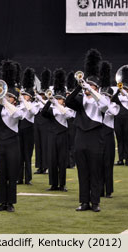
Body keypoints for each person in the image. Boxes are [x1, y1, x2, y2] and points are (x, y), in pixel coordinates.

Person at [66, 49, 108, 212]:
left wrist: (91, 90)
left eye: (90, 86)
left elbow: (104, 106)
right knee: (82, 171)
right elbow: (69, 102)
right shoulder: (80, 99)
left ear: (96, 88)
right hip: (81, 136)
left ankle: (95, 202)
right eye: (86, 86)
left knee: (95, 171)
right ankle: (84, 201)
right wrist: (79, 87)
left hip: (95, 137)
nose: (87, 88)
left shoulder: (101, 98)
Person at [0, 60, 24, 212]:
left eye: (9, 96)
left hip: (13, 144)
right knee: (1, 174)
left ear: (14, 98)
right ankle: (2, 202)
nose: (6, 98)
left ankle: (11, 203)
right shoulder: (0, 109)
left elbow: (17, 115)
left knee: (11, 174)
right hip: (0, 143)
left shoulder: (18, 109)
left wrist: (5, 102)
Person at [41, 69, 75, 192]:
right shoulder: (51, 109)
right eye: (57, 98)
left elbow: (66, 114)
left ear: (63, 101)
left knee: (62, 161)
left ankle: (62, 184)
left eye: (60, 99)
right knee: (52, 161)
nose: (58, 100)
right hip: (52, 136)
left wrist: (56, 102)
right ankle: (53, 184)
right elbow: (43, 112)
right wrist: (49, 101)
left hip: (62, 137)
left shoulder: (67, 110)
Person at [101, 61, 120, 198]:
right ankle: (99, 189)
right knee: (97, 164)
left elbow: (111, 112)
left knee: (108, 164)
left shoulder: (114, 106)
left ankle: (108, 190)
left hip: (108, 136)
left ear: (110, 97)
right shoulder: (98, 104)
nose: (105, 98)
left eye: (107, 96)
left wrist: (106, 102)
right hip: (97, 135)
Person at [18, 68, 38, 185]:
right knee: (20, 156)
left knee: (28, 155)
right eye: (23, 95)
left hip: (29, 131)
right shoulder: (19, 105)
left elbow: (33, 111)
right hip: (20, 130)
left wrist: (25, 101)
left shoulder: (33, 105)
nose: (24, 96)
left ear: (30, 97)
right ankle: (19, 178)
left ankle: (28, 179)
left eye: (26, 95)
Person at [33, 69, 51, 174]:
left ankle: (46, 166)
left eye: (43, 93)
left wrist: (41, 100)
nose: (41, 94)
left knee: (45, 145)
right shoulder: (37, 101)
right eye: (40, 93)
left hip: (45, 122)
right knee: (38, 145)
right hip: (37, 122)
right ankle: (39, 166)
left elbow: (48, 107)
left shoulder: (47, 101)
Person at [113, 66, 128, 166]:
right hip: (118, 120)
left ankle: (127, 159)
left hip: (127, 120)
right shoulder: (117, 97)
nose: (124, 90)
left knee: (127, 139)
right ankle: (120, 159)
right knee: (119, 140)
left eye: (126, 89)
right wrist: (119, 89)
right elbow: (113, 99)